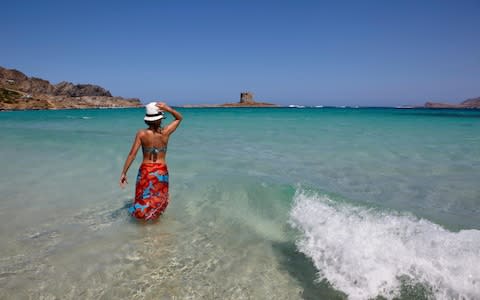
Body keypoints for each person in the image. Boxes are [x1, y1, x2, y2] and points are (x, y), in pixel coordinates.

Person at [120, 102, 182, 220]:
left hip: (146, 171)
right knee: (158, 201)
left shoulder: (141, 134)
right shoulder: (165, 132)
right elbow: (179, 118)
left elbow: (132, 154)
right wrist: (167, 108)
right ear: (160, 119)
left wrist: (124, 172)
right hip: (161, 171)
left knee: (142, 201)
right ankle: (155, 230)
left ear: (147, 119)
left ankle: (141, 228)